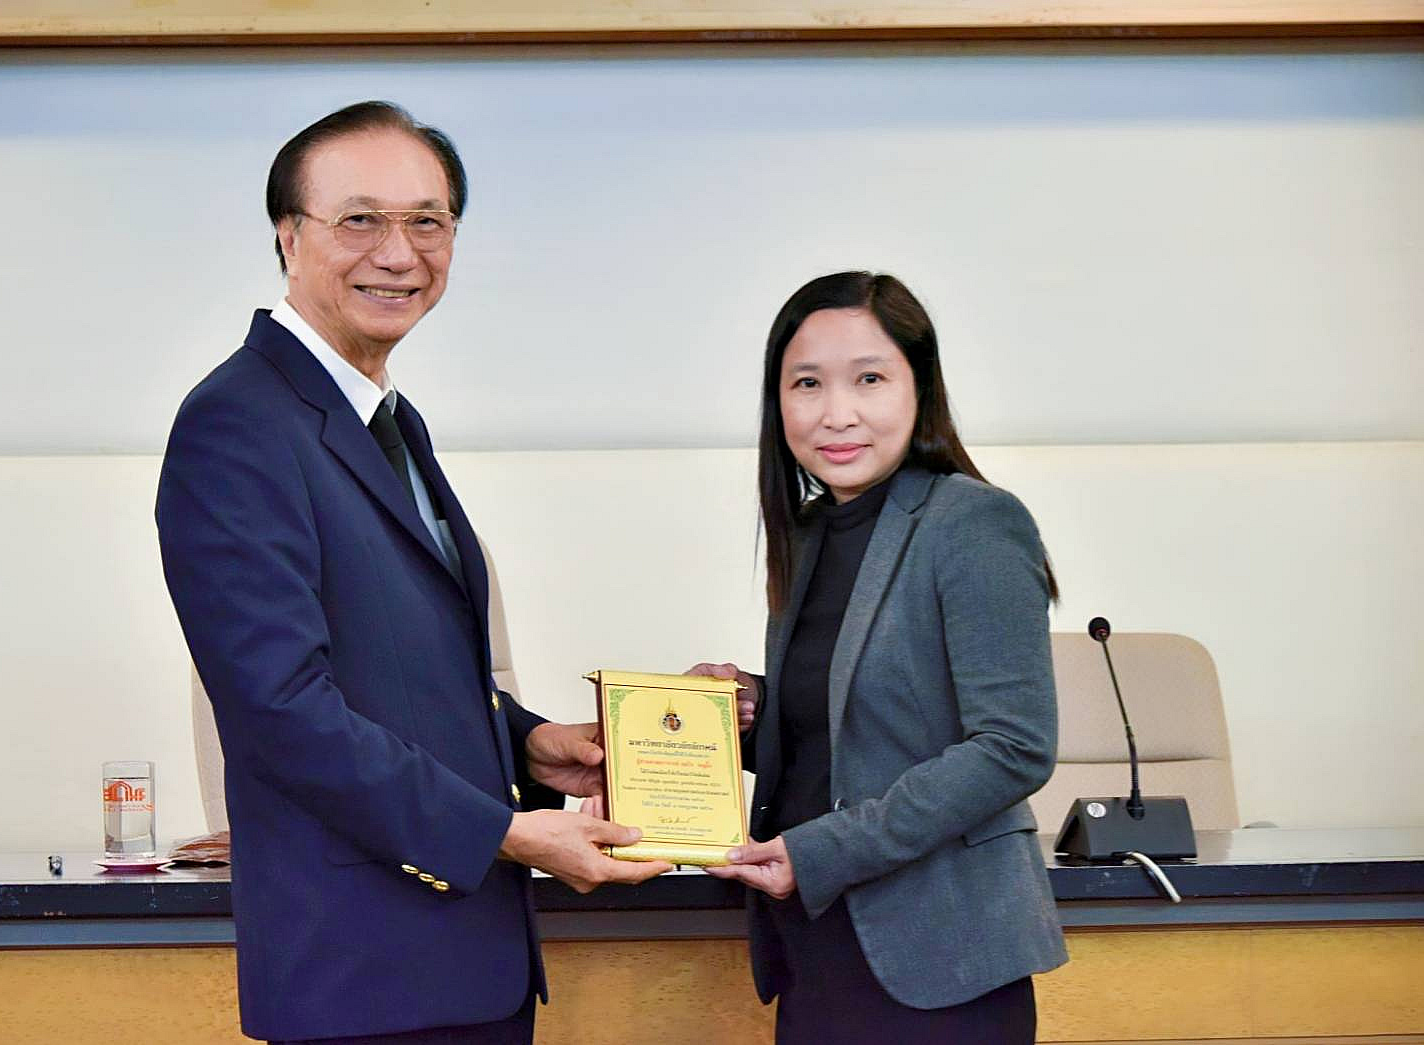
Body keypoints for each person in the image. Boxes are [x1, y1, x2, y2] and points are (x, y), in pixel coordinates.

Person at [156, 101, 668, 1045]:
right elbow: (281, 710)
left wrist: (529, 742)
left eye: (428, 222)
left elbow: (400, 673)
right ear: (288, 236)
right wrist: (503, 832)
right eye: (360, 219)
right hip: (365, 979)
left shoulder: (386, 419)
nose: (399, 253)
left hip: (458, 969)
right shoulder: (237, 424)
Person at [688, 271, 1068, 1042]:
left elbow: (1013, 746)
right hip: (815, 947)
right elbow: (850, 732)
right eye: (807, 383)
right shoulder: (809, 531)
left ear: (919, 387)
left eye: (869, 379)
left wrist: (821, 850)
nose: (837, 413)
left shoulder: (974, 522)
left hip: (940, 963)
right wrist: (745, 711)